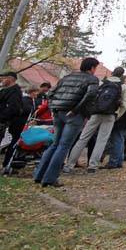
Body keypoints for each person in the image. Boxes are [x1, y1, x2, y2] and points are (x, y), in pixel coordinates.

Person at [33, 57, 100, 187]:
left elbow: (50, 93)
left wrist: (53, 108)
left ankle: (39, 175)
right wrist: (76, 110)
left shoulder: (67, 77)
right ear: (92, 68)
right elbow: (90, 95)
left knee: (54, 144)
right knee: (64, 146)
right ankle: (50, 178)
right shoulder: (92, 79)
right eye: (95, 68)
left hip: (58, 112)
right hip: (73, 115)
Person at [63, 66, 123, 174]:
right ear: (122, 75)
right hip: (110, 115)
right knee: (101, 140)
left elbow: (93, 96)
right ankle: (93, 165)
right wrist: (117, 115)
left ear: (112, 72)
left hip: (96, 113)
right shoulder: (122, 86)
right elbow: (123, 104)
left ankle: (69, 164)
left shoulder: (102, 83)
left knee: (83, 138)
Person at [104, 68, 126, 169]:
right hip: (125, 116)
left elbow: (124, 104)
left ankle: (113, 161)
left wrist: (117, 115)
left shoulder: (120, 86)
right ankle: (119, 161)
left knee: (115, 138)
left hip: (117, 115)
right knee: (119, 138)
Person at [0, 72, 23, 166]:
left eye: (3, 78)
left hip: (3, 121)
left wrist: (2, 118)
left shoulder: (15, 92)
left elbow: (13, 108)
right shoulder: (4, 90)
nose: (1, 80)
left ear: (10, 79)